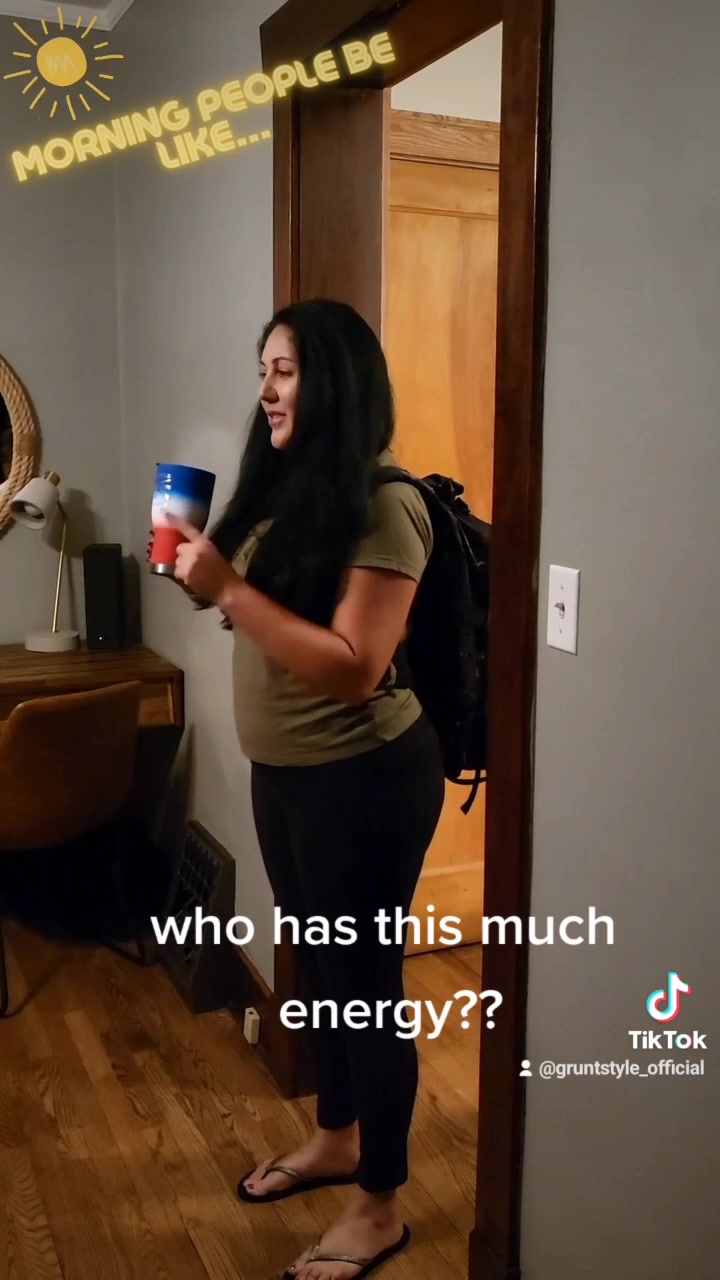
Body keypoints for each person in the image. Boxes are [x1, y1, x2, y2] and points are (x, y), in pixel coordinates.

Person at [164, 298, 446, 1280]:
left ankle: (381, 1205)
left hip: (364, 779)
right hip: (289, 774)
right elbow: (273, 619)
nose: (266, 391)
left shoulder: (387, 503)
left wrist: (229, 590)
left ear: (336, 380)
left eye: (283, 371)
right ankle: (337, 1136)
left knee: (365, 988)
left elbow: (355, 666)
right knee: (322, 969)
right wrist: (206, 574)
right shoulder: (291, 491)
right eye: (263, 372)